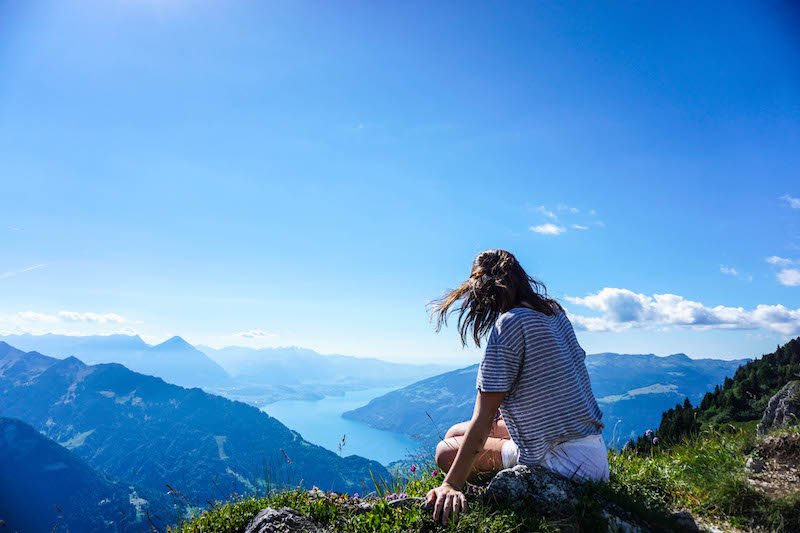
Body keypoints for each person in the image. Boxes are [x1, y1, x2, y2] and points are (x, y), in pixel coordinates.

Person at [424, 249, 608, 525]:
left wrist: (451, 484)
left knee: (445, 452)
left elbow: (484, 418)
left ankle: (464, 483)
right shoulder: (553, 311)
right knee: (454, 432)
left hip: (565, 463)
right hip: (592, 451)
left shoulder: (509, 324)